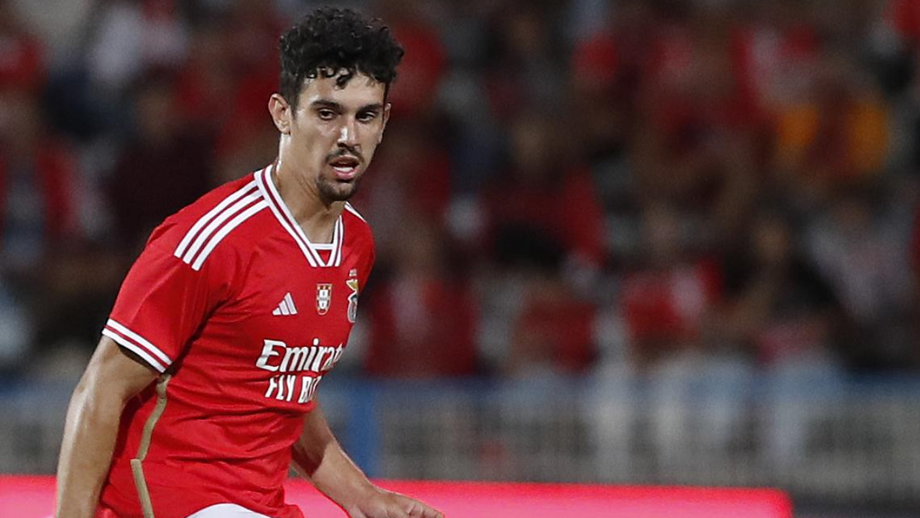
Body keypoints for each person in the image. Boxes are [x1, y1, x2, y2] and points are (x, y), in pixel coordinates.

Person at [55, 8, 443, 518]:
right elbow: (100, 391)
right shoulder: (211, 239)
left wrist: (368, 499)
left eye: (365, 116)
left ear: (385, 121)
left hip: (259, 505)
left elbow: (286, 396)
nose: (348, 136)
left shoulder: (356, 243)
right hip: (168, 502)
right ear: (283, 114)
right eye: (327, 113)